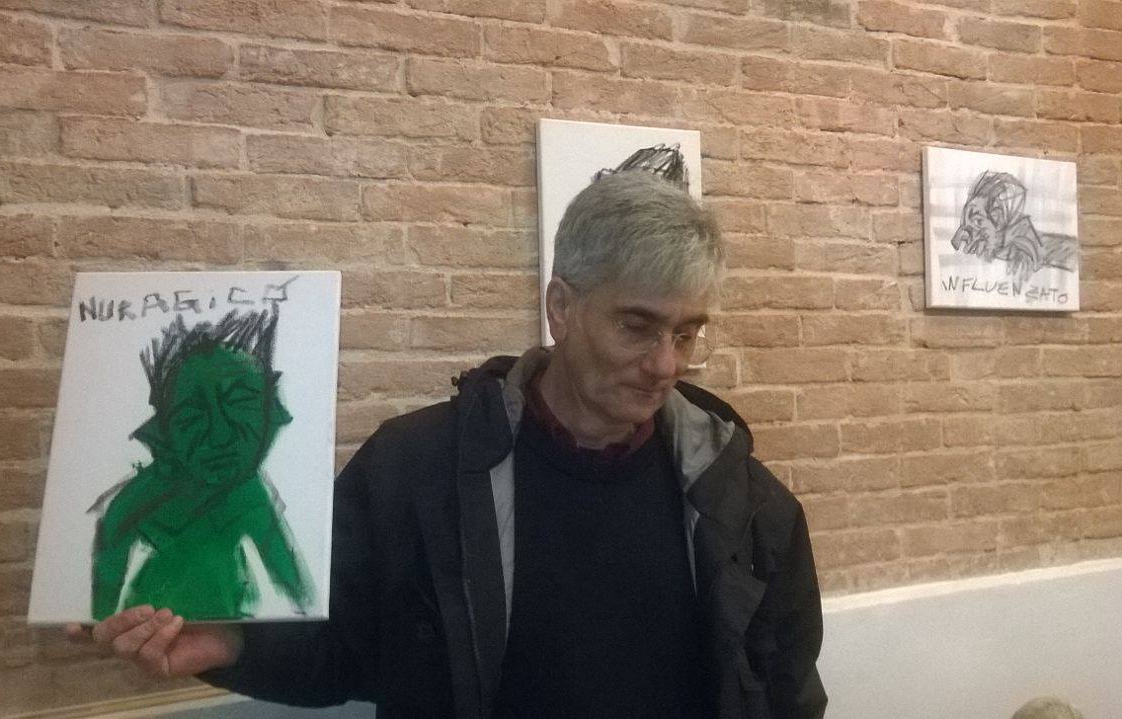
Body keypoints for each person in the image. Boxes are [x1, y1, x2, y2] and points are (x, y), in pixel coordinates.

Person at [73, 162, 827, 718]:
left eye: (686, 333)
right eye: (637, 326)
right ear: (562, 307)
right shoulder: (413, 471)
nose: (665, 364)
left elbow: (788, 694)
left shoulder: (744, 505)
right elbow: (345, 649)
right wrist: (234, 645)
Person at [90, 307, 314, 621]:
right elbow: (99, 598)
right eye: (191, 415)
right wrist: (94, 619)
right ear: (164, 432)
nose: (220, 436)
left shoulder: (250, 494)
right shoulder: (139, 500)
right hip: (152, 617)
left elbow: (300, 594)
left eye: (240, 402)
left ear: (271, 410)